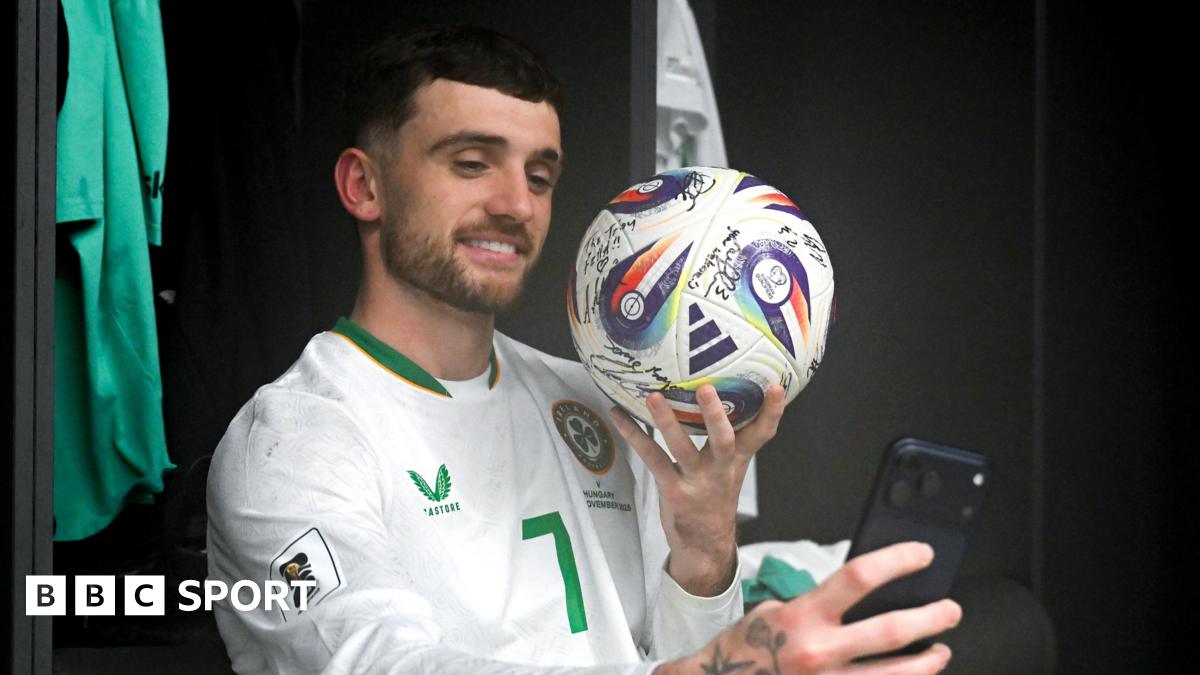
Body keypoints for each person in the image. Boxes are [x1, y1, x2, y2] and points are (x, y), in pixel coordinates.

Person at [207, 26, 961, 675]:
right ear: (363, 186)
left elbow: (669, 651)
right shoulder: (288, 446)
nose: (517, 204)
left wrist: (704, 559)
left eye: (540, 175)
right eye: (472, 162)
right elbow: (377, 662)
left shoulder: (604, 399)